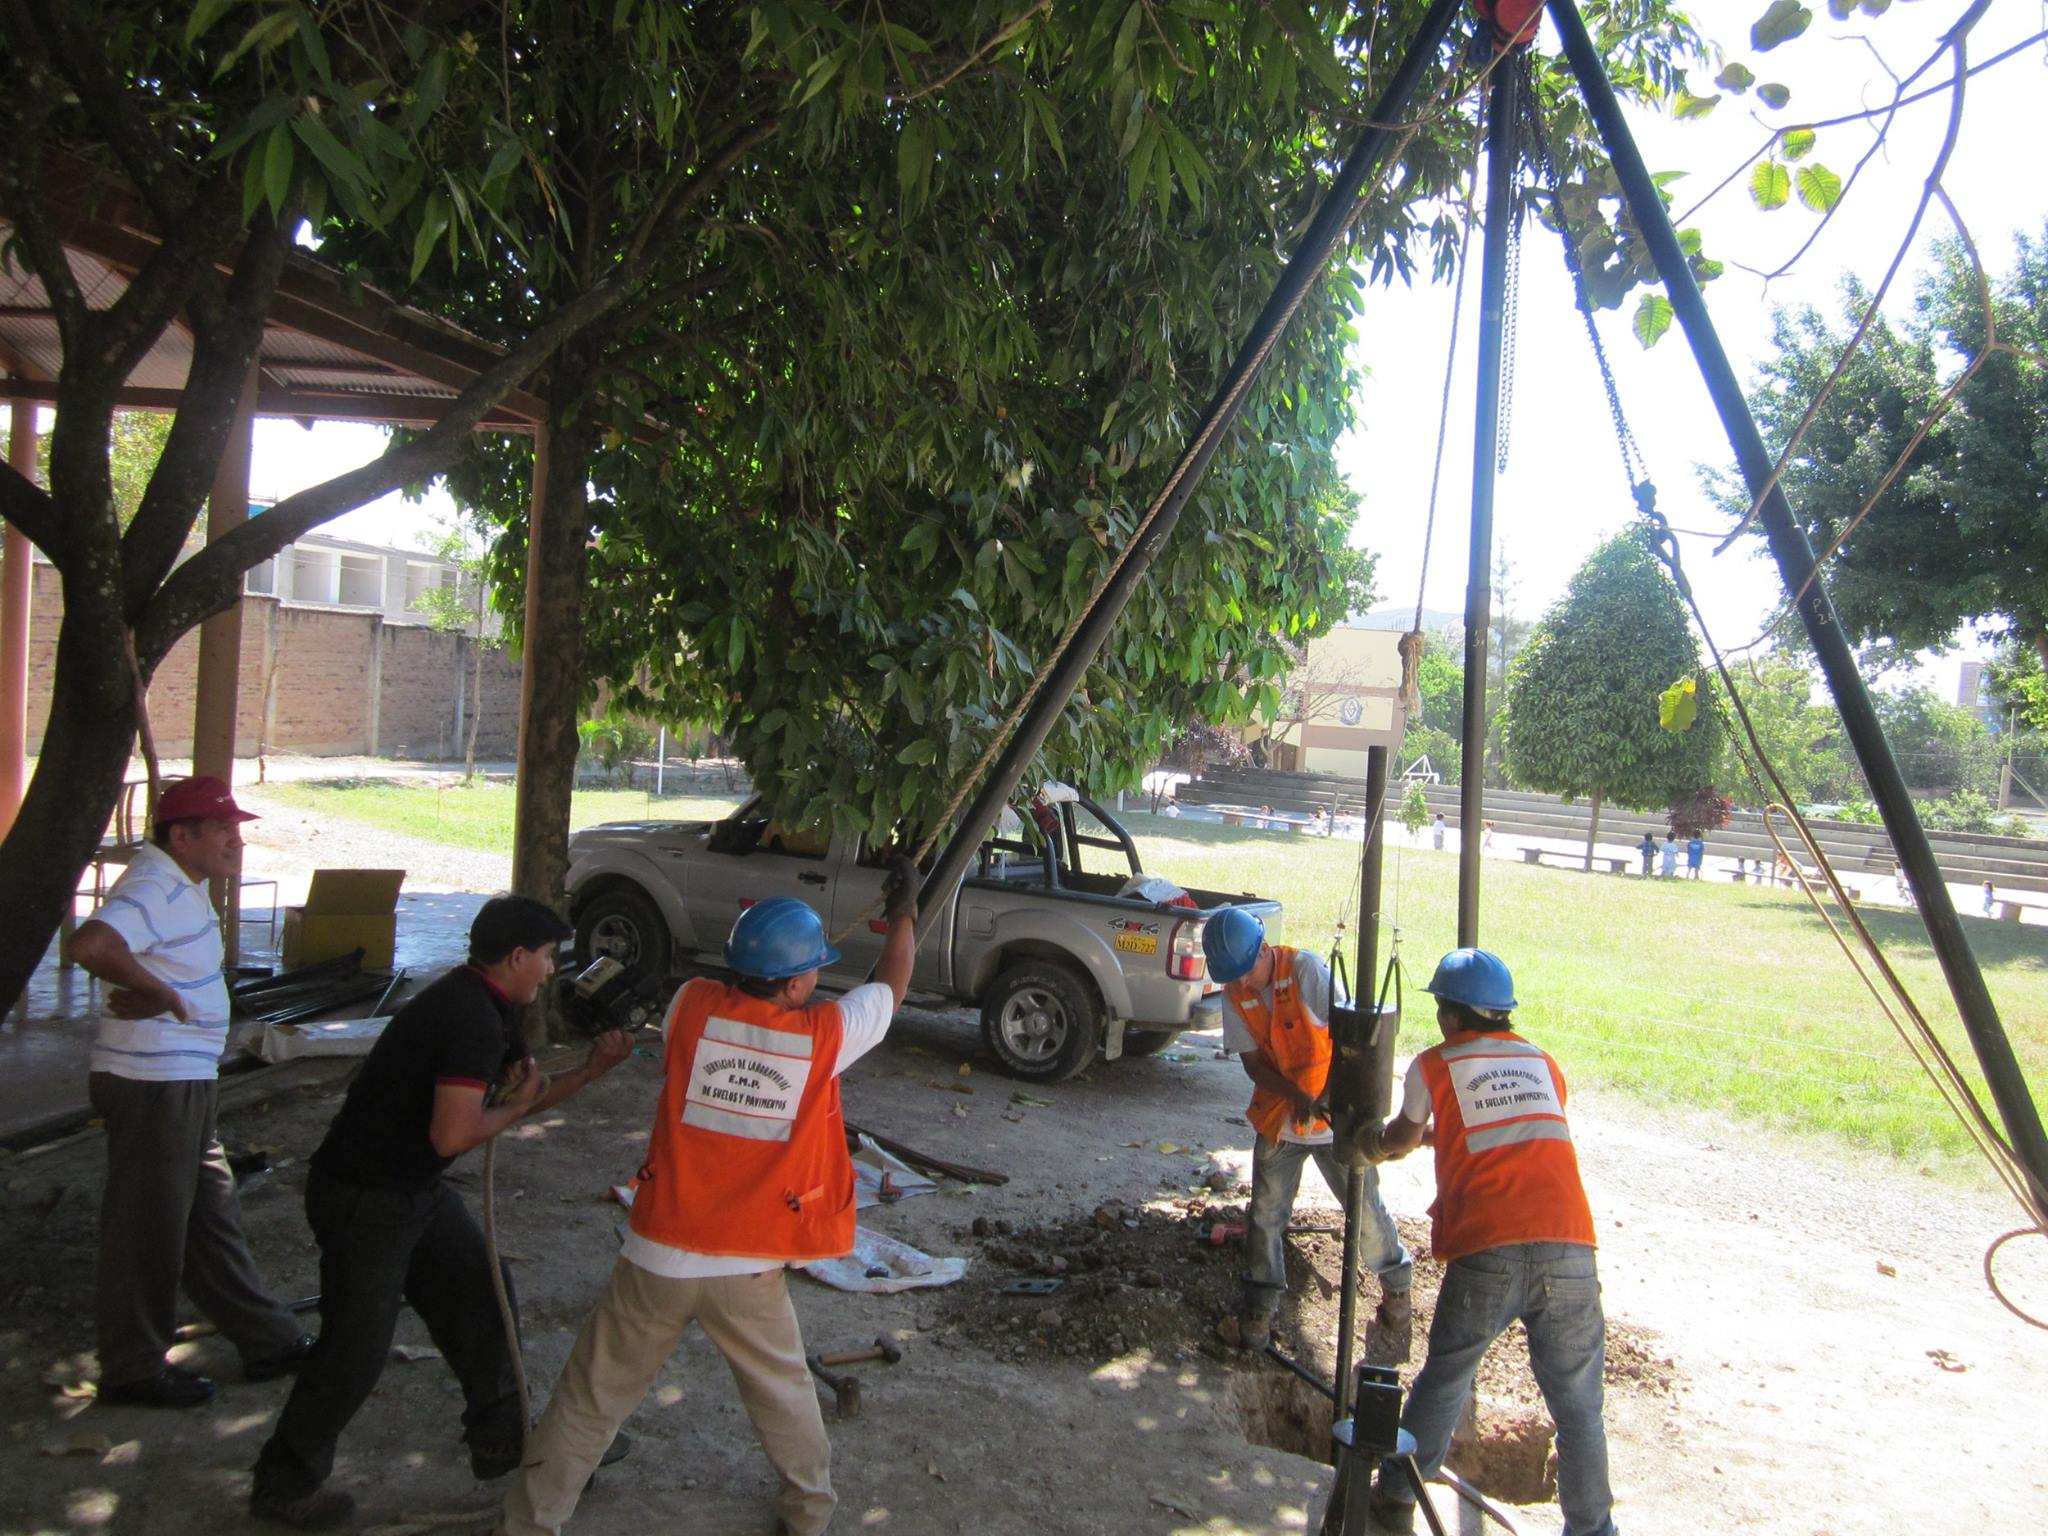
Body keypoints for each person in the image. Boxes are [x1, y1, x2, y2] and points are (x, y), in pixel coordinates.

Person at [497, 861, 924, 1536]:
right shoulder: (824, 1038)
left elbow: (737, 997)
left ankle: (527, 1525)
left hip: (658, 1251)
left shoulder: (690, 1004)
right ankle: (808, 1515)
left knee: (588, 1400)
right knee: (784, 1398)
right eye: (811, 970)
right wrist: (904, 913)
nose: (817, 979)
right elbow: (891, 986)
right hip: (746, 1264)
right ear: (794, 982)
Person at [250, 897, 632, 1530]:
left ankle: (503, 1438)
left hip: (411, 1190)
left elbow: (506, 1105)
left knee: (482, 1291)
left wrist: (589, 1072)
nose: (548, 970)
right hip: (366, 1195)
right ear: (516, 957)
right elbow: (455, 1137)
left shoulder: (490, 1003)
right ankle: (283, 1483)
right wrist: (514, 1106)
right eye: (544, 957)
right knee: (355, 1348)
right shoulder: (468, 1019)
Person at [68, 776, 314, 1410]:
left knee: (208, 1219)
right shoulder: (155, 885)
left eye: (237, 828)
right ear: (182, 836)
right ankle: (130, 1369)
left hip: (181, 1081)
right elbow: (91, 943)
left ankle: (269, 1340)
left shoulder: (183, 886)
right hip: (153, 1082)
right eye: (222, 829)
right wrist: (165, 995)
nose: (236, 840)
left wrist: (157, 986)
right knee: (147, 1230)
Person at [1364, 950, 1616, 1536]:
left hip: (1490, 1246)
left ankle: (1398, 1496)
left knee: (1447, 1374)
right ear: (1503, 1012)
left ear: (1451, 1015)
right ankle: (1594, 1529)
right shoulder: (1544, 1063)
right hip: (1571, 1245)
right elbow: (1514, 1133)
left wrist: (1375, 1147)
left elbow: (1401, 1135)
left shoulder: (1433, 1064)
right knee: (1580, 1409)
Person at [1204, 907, 1411, 1353]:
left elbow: (1349, 1042)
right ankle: (1260, 1305)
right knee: (1265, 1216)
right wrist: (1296, 1097)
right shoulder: (1234, 991)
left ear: (1264, 950)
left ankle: (1397, 1288)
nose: (1242, 984)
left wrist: (1329, 1101)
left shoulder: (1306, 970)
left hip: (1334, 1121)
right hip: (1281, 1118)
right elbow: (1252, 1063)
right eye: (1232, 977)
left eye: (1246, 972)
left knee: (1367, 1212)